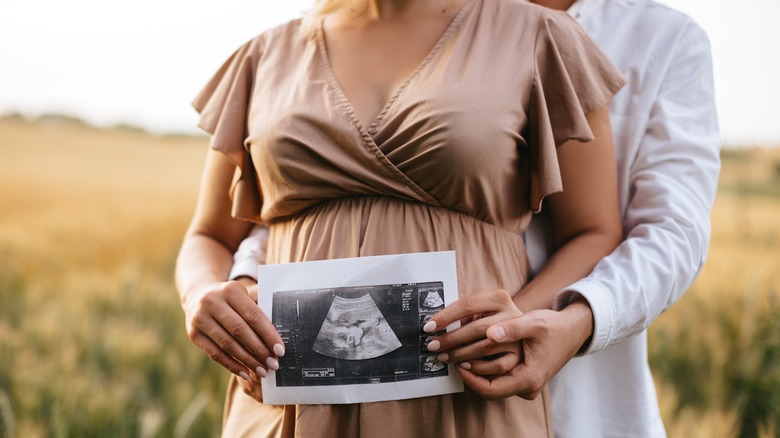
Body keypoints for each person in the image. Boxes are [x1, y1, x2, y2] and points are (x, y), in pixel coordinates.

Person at [175, 0, 627, 436]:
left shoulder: (540, 36)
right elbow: (210, 235)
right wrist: (201, 294)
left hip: (470, 397)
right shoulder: (264, 55)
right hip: (289, 405)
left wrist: (516, 324)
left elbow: (594, 231)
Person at [420, 0, 721, 437]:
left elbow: (675, 232)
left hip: (588, 405)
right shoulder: (425, 18)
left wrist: (579, 319)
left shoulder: (665, 39)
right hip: (429, 396)